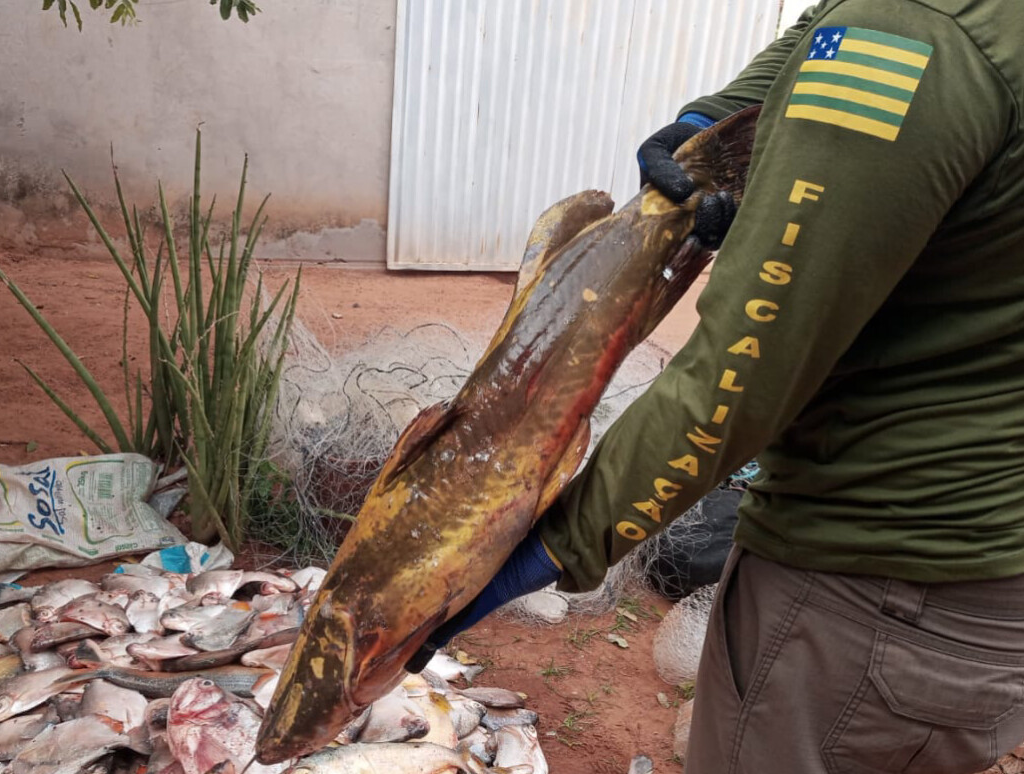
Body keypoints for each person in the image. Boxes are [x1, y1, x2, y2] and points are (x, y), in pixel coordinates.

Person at [415, 0, 1024, 771]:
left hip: (869, 590)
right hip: (983, 582)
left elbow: (741, 371)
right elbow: (827, 22)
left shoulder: (910, 33)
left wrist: (543, 547)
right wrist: (718, 119)